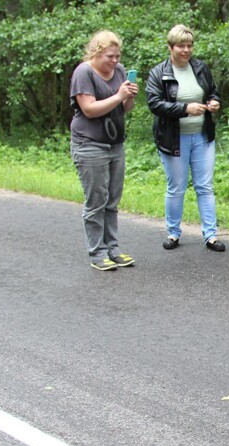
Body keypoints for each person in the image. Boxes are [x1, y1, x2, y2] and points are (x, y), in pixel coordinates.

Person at [146, 24, 225, 252]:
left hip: (202, 137)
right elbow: (155, 103)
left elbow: (212, 91)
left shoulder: (200, 68)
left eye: (189, 45)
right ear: (170, 47)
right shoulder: (158, 73)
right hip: (173, 139)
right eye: (181, 46)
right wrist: (185, 109)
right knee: (177, 188)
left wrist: (214, 102)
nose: (186, 50)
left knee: (205, 187)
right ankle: (173, 233)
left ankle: (210, 235)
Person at [70, 30, 139, 271]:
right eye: (110, 56)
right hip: (89, 144)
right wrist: (118, 95)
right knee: (96, 200)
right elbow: (88, 109)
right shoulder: (84, 73)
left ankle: (113, 248)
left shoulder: (119, 72)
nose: (115, 61)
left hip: (115, 143)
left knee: (112, 199)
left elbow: (123, 108)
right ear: (97, 52)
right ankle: (97, 252)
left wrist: (128, 97)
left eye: (118, 56)